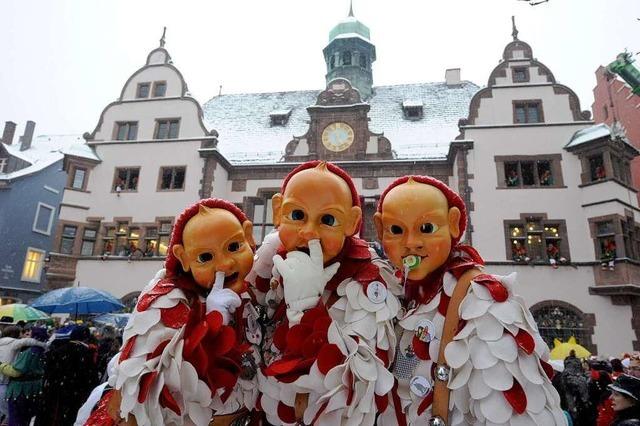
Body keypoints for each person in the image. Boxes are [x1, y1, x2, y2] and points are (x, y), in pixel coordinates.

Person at [374, 175, 566, 424]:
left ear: (453, 224)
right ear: (380, 231)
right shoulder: (399, 295)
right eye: (396, 230)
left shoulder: (484, 299)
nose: (412, 243)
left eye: (427, 228)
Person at [250, 161, 399, 425]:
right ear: (277, 212)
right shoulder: (271, 257)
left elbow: (362, 377)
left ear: (352, 222)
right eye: (296, 215)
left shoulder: (368, 280)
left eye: (328, 220)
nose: (309, 233)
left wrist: (308, 307)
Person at [86, 199, 259, 426]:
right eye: (205, 257)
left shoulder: (254, 292)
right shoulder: (168, 301)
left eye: (234, 247)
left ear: (248, 237)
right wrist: (211, 325)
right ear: (184, 258)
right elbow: (146, 393)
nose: (224, 264)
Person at [34, 325, 99, 426]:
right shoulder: (87, 354)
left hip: (53, 394)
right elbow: (90, 378)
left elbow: (48, 373)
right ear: (86, 338)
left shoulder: (57, 351)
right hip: (74, 396)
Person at [0, 327, 48, 426]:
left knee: (15, 418)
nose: (25, 335)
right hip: (33, 389)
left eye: (28, 334)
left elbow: (16, 372)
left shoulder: (30, 352)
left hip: (20, 390)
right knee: (23, 418)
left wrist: (1, 365)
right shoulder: (42, 351)